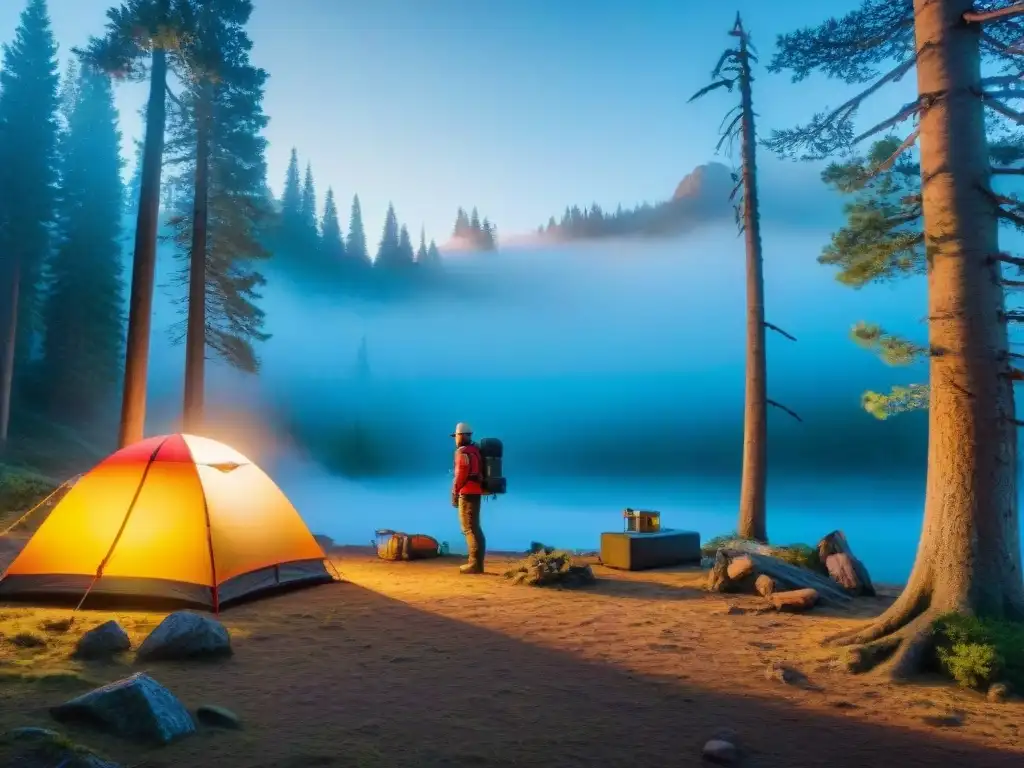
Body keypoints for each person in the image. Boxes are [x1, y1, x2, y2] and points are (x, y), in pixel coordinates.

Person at [451, 422, 486, 574]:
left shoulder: (462, 452)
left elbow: (461, 474)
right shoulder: (476, 451)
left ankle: (474, 564)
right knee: (475, 527)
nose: (455, 439)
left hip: (466, 492)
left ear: (461, 436)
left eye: (456, 436)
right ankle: (478, 563)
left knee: (469, 528)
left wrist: (454, 492)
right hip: (476, 491)